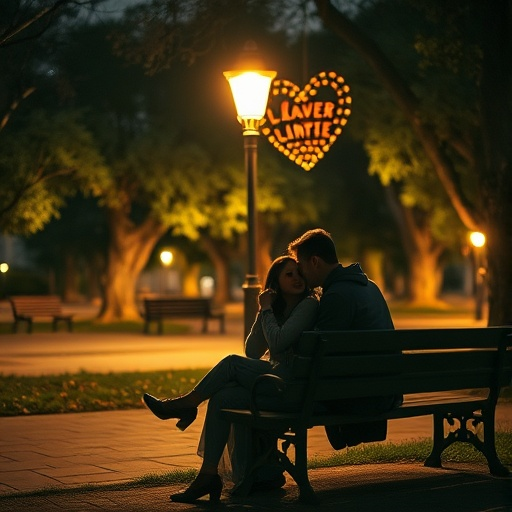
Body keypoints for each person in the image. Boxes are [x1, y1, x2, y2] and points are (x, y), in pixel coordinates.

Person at [142, 255, 318, 503]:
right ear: (276, 283)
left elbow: (277, 343)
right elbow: (253, 351)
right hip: (274, 384)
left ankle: (187, 403)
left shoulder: (308, 305)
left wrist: (267, 309)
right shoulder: (277, 309)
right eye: (289, 274)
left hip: (289, 388)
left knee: (232, 363)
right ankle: (208, 475)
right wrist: (264, 309)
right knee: (222, 397)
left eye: (298, 273)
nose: (297, 278)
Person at [287, 228, 402, 448]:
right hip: (386, 390)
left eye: (300, 265)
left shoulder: (337, 296)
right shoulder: (370, 287)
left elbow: (314, 354)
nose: (300, 272)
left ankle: (265, 469)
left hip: (364, 397)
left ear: (314, 261)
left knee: (269, 396)